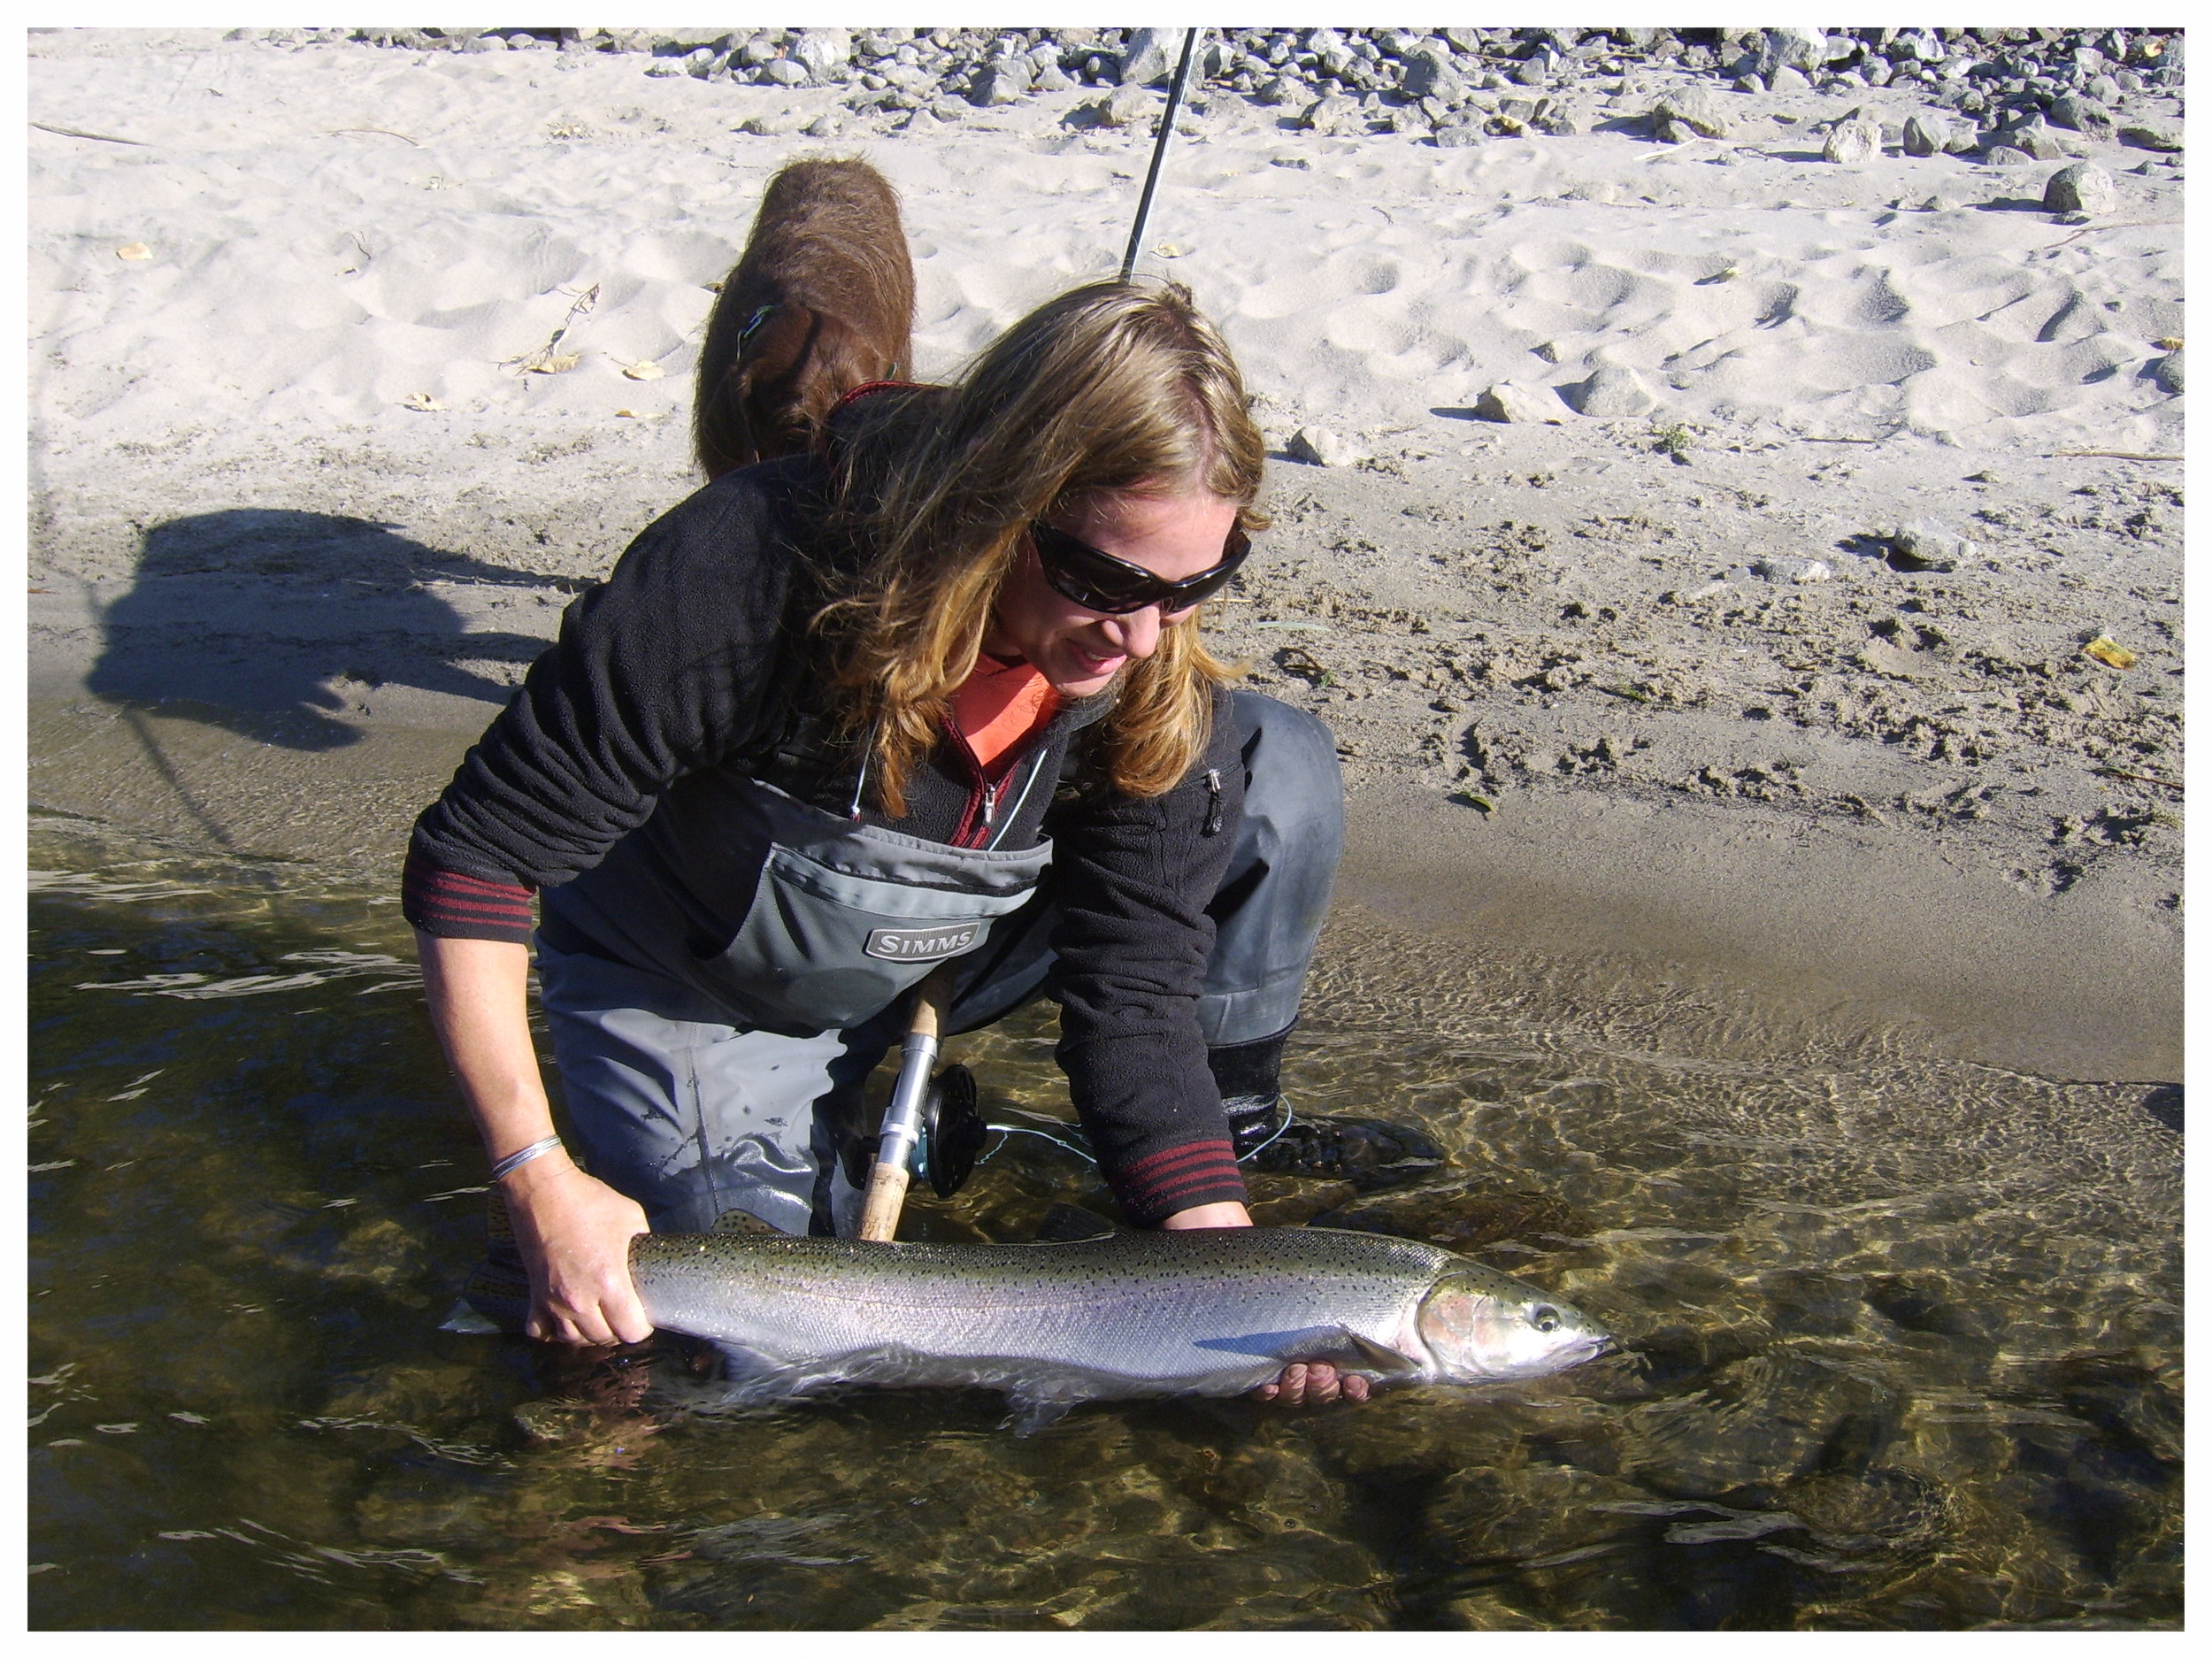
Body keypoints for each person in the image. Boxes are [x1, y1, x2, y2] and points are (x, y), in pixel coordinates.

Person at [404, 280, 1429, 1407]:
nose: (1138, 637)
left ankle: (1231, 1127)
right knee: (730, 1329)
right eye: (1104, 581)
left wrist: (1229, 1263)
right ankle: (799, 1121)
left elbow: (1131, 990)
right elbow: (477, 861)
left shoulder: (1144, 663)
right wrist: (535, 1175)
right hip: (697, 976)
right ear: (995, 509)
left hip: (951, 944)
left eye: (1194, 585)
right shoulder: (748, 567)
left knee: (1268, 759)